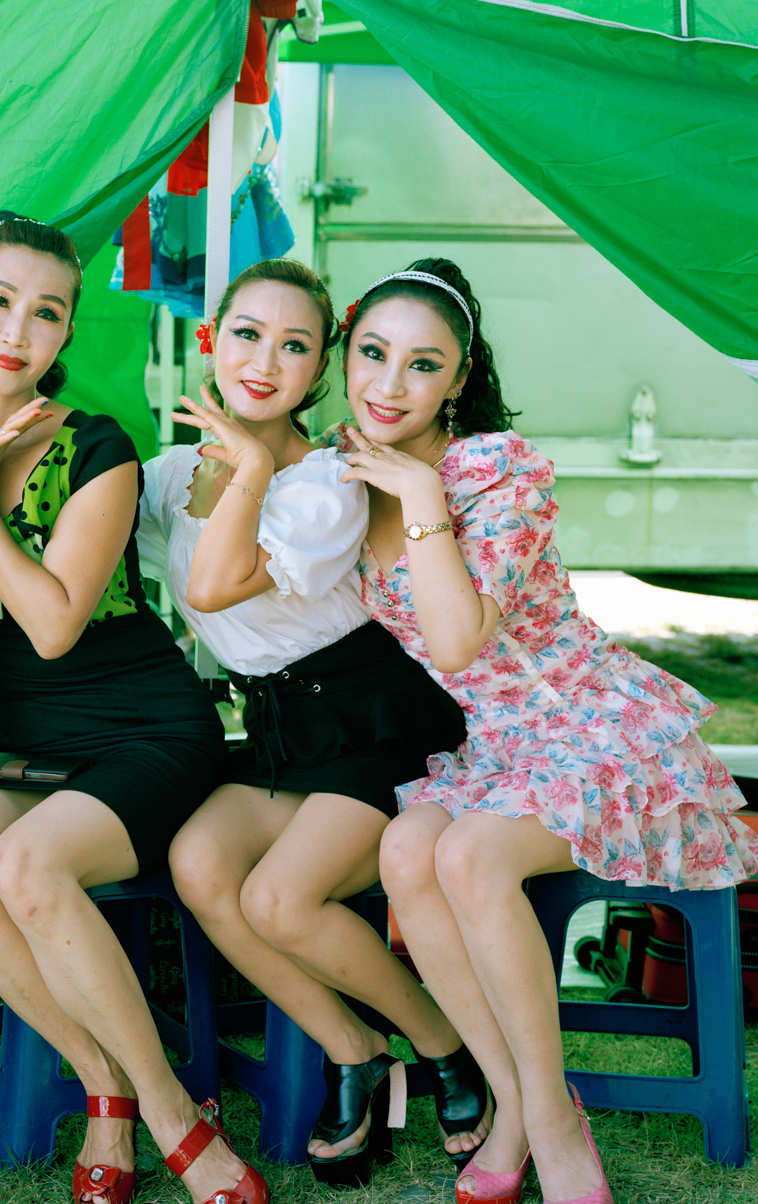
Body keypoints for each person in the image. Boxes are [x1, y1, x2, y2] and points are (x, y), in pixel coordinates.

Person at [330, 257, 758, 1204]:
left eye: (423, 365)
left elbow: (458, 640)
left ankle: (555, 1126)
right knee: (406, 852)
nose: (389, 384)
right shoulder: (340, 479)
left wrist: (423, 497)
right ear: (346, 354)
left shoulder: (496, 471)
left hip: (598, 726)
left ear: (458, 380)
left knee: (468, 856)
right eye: (372, 353)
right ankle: (521, 1101)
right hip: (500, 747)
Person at [0, 212, 264, 1204]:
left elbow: (54, 626)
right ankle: (103, 1081)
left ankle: (169, 1113)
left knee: (26, 863)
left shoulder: (98, 448)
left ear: (67, 331)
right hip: (26, 743)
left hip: (147, 733)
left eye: (47, 312)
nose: (17, 330)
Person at [146, 258, 487, 1188]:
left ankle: (445, 1045)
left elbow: (213, 586)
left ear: (319, 367)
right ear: (210, 338)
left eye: (294, 345)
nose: (265, 363)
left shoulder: (324, 483)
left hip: (374, 720)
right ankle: (354, 1049)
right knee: (198, 863)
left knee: (279, 900)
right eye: (247, 335)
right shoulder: (169, 474)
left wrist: (254, 465)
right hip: (280, 730)